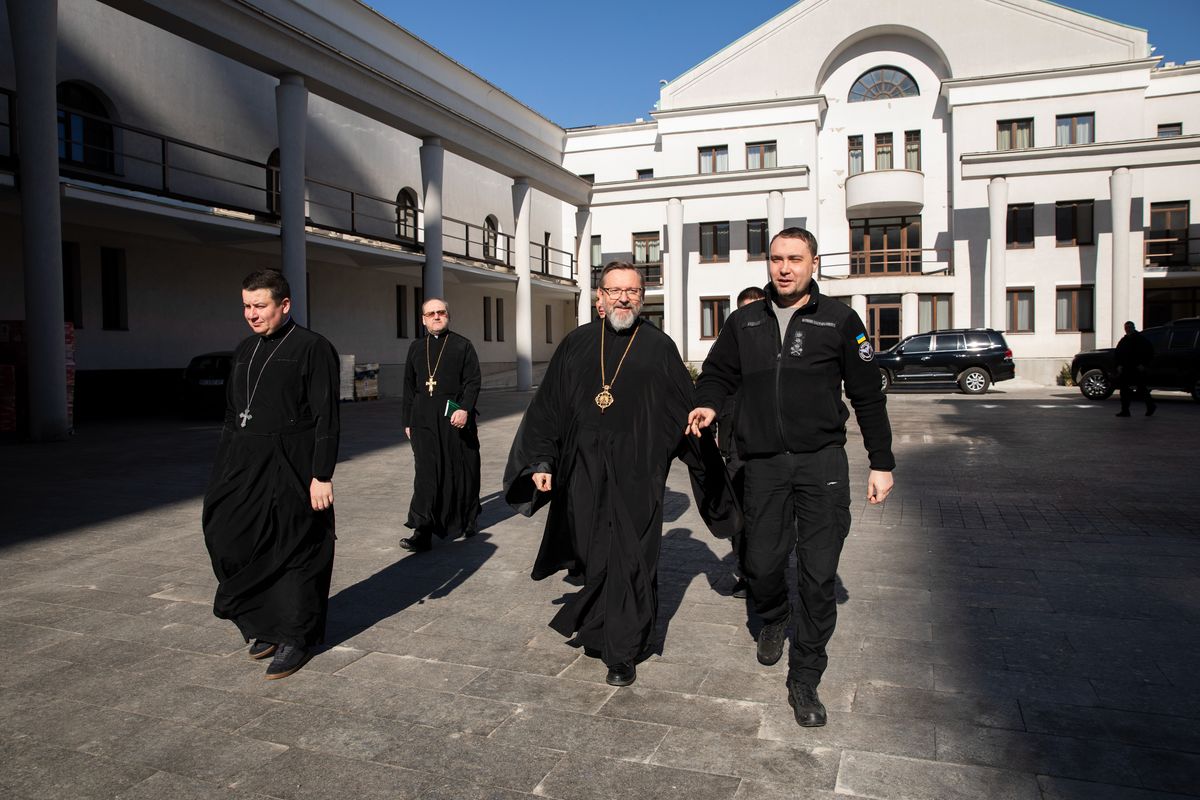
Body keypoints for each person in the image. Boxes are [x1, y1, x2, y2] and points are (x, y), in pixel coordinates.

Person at [686, 227, 895, 727]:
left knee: (819, 576)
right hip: (763, 464)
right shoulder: (744, 322)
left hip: (821, 461)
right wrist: (708, 403)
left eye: (795, 259)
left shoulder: (840, 320)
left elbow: (867, 394)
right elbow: (717, 372)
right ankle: (774, 616)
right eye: (777, 258)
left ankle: (805, 676)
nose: (784, 268)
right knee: (759, 562)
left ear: (813, 263)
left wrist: (881, 461)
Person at [503, 261, 699, 687]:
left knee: (631, 558)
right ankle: (598, 627)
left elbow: (685, 408)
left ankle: (624, 650)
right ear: (600, 297)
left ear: (642, 299)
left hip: (639, 474)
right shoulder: (577, 344)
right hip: (583, 471)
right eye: (614, 290)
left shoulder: (658, 347)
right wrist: (541, 462)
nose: (623, 298)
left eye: (631, 291)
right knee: (595, 555)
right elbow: (548, 409)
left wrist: (706, 435)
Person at [202, 270, 340, 680]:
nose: (251, 314)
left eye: (259, 306)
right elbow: (232, 411)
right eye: (246, 306)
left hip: (294, 461)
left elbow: (326, 417)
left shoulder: (313, 348)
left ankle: (295, 636)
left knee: (296, 547)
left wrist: (321, 474)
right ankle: (264, 623)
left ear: (285, 304)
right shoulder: (245, 349)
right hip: (244, 460)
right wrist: (225, 467)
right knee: (231, 535)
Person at [400, 298, 482, 551]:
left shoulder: (462, 345)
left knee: (460, 469)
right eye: (431, 313)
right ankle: (422, 530)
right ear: (423, 319)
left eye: (441, 312)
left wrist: (465, 409)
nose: (436, 317)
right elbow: (408, 387)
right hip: (423, 419)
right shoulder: (416, 348)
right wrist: (407, 421)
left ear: (448, 315)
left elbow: (473, 381)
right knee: (425, 474)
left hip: (453, 417)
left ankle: (467, 518)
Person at [718, 285, 768, 600]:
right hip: (735, 448)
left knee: (767, 514)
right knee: (740, 515)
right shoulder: (728, 350)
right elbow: (714, 386)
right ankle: (748, 572)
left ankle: (765, 572)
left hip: (769, 449)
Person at [1115, 320, 1156, 417]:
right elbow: (1117, 354)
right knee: (1124, 390)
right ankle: (1125, 410)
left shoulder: (1141, 340)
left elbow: (1149, 353)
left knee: (1142, 389)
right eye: (1126, 328)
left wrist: (1143, 364)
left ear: (1133, 328)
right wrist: (1118, 365)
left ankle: (1151, 406)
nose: (1128, 330)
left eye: (1129, 328)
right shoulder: (1123, 340)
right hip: (1125, 369)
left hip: (1137, 368)